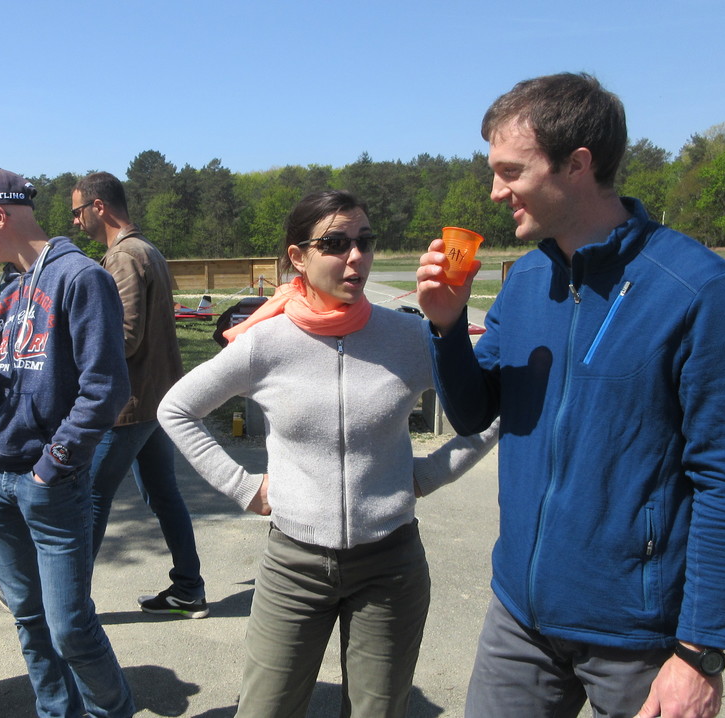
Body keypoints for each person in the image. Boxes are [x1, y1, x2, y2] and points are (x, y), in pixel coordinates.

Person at [416, 73, 725, 718]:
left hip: (638, 639)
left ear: (577, 165)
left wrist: (699, 655)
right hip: (520, 619)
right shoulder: (527, 281)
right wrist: (446, 327)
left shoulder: (701, 293)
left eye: (511, 172)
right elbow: (472, 413)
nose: (495, 192)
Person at [159, 190, 498, 718]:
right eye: (335, 244)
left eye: (365, 242)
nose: (355, 257)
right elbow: (176, 409)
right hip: (294, 564)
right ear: (298, 257)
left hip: (390, 564)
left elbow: (489, 410)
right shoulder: (265, 342)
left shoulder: (410, 335)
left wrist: (427, 474)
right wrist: (244, 487)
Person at [0, 168, 135, 718]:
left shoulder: (80, 279)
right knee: (27, 616)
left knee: (69, 626)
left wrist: (55, 463)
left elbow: (107, 388)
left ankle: (112, 711)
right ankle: (57, 712)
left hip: (48, 482)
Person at [71, 171, 208, 618]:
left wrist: (72, 350)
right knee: (163, 494)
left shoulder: (124, 256)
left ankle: (68, 605)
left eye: (77, 212)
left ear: (99, 206)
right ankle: (188, 588)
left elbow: (125, 338)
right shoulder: (147, 249)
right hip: (156, 402)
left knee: (89, 498)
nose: (75, 222)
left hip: (129, 408)